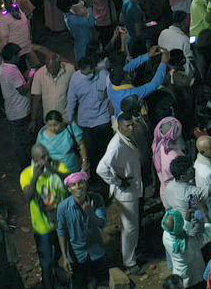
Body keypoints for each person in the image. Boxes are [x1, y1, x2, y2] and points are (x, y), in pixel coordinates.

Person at [96, 110, 143, 273]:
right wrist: (117, 181)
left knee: (130, 226)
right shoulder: (116, 146)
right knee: (130, 227)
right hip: (126, 193)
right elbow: (101, 169)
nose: (131, 128)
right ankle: (129, 262)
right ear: (120, 127)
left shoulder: (126, 138)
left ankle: (131, 253)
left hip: (131, 188)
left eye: (132, 125)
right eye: (127, 126)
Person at [21, 143, 68, 289]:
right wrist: (36, 176)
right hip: (42, 226)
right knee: (46, 262)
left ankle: (59, 274)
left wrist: (53, 170)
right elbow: (28, 197)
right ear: (34, 159)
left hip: (61, 222)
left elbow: (70, 180)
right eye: (42, 157)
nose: (46, 158)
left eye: (47, 154)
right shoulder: (27, 174)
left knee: (61, 253)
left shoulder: (58, 166)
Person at [56, 172, 107, 289]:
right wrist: (64, 257)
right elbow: (61, 231)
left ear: (86, 184)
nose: (78, 187)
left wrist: (90, 213)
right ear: (69, 189)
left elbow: (102, 223)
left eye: (81, 183)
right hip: (77, 255)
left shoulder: (96, 199)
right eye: (73, 185)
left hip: (96, 251)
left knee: (100, 282)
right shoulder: (63, 207)